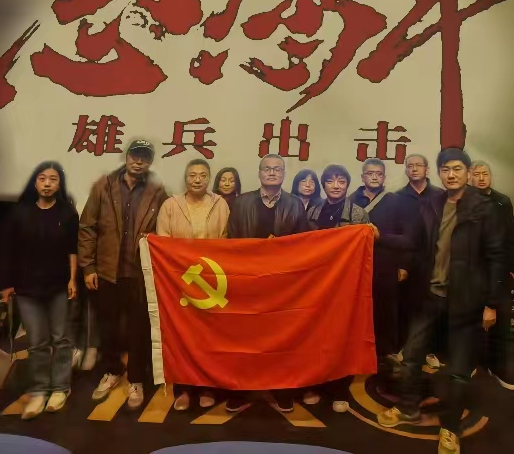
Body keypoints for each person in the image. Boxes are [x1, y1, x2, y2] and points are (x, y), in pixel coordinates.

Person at [378, 148, 506, 454]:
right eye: (446, 169)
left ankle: (450, 428)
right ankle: (408, 408)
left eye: (457, 169)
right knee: (412, 356)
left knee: (459, 369)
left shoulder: (485, 208)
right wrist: (376, 235)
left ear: (467, 172)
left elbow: (497, 257)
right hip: (429, 295)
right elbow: (413, 242)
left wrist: (491, 304)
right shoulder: (432, 204)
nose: (451, 175)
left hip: (467, 300)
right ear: (439, 173)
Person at [79, 139, 167, 411]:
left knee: (139, 330)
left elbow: (164, 232)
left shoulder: (157, 192)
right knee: (108, 327)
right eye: (134, 155)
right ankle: (112, 371)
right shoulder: (103, 186)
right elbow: (87, 227)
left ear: (150, 162)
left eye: (144, 157)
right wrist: (88, 267)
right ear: (126, 156)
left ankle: (136, 380)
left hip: (140, 274)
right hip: (107, 272)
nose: (138, 161)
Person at [225, 154, 309, 413]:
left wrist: (279, 249)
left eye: (277, 169)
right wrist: (255, 251)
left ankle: (281, 388)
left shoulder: (295, 204)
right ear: (259, 173)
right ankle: (241, 389)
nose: (272, 173)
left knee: (280, 339)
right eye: (267, 169)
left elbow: (303, 245)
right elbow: (231, 241)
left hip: (281, 284)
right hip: (248, 281)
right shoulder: (241, 202)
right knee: (244, 338)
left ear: (283, 174)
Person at [0, 161, 78, 420]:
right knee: (36, 342)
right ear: (35, 182)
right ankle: (39, 390)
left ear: (59, 184)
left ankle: (61, 388)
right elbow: (8, 251)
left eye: (53, 179)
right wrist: (7, 284)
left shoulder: (67, 213)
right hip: (27, 288)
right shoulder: (20, 213)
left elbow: (72, 250)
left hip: (58, 286)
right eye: (42, 178)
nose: (47, 183)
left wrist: (73, 279)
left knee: (61, 339)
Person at [156, 158, 230, 410]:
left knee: (209, 336)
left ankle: (207, 386)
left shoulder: (221, 204)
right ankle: (184, 389)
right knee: (182, 336)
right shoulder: (170, 205)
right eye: (192, 175)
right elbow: (163, 243)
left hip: (212, 281)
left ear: (209, 178)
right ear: (185, 178)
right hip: (179, 282)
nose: (197, 180)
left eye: (202, 175)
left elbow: (227, 241)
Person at [302, 164, 369, 412]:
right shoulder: (312, 211)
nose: (336, 186)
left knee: (341, 336)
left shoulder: (359, 214)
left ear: (348, 185)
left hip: (344, 284)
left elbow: (365, 251)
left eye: (341, 181)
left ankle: (339, 389)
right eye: (330, 181)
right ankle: (313, 384)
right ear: (323, 185)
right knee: (314, 335)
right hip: (316, 283)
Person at [349, 158, 418, 364]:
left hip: (387, 266)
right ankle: (358, 351)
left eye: (378, 174)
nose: (374, 177)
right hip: (356, 267)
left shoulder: (396, 201)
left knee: (386, 310)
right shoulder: (350, 201)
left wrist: (404, 264)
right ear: (362, 177)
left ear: (384, 177)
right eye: (370, 173)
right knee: (358, 310)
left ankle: (385, 353)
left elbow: (408, 238)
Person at [470, 160, 514, 391]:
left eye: (485, 173)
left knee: (500, 320)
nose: (481, 178)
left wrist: (512, 269)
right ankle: (472, 362)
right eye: (476, 174)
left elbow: (511, 237)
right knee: (471, 322)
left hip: (499, 269)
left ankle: (498, 367)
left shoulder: (503, 201)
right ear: (469, 177)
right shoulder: (462, 201)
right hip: (473, 271)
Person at [397, 154, 444, 359]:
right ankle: (405, 349)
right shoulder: (398, 197)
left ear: (427, 169)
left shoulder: (440, 196)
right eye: (410, 166)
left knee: (432, 307)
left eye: (418, 165)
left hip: (434, 260)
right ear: (406, 170)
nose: (414, 169)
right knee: (406, 306)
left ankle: (429, 351)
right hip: (407, 261)